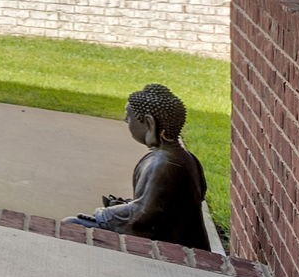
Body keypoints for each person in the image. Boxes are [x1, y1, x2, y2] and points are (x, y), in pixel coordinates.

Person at [69, 83, 209, 250]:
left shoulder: (163, 164)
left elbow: (142, 217)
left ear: (149, 123)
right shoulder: (185, 157)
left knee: (71, 225)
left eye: (129, 117)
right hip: (171, 235)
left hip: (174, 247)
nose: (125, 120)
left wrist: (104, 215)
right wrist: (123, 205)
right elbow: (159, 205)